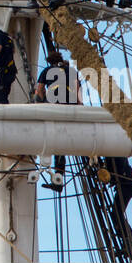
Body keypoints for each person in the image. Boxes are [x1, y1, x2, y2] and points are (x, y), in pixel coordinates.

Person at [35, 52, 81, 190]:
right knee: (61, 141)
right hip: (69, 104)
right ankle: (59, 176)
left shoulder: (47, 71)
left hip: (53, 104)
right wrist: (79, 103)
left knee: (55, 139)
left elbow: (40, 89)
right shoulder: (71, 71)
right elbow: (77, 87)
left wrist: (40, 102)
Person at [101, 156, 132, 259]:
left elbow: (118, 165)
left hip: (126, 184)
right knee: (115, 214)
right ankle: (130, 241)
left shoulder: (115, 154)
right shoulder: (112, 155)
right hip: (125, 183)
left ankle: (130, 242)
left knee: (116, 213)